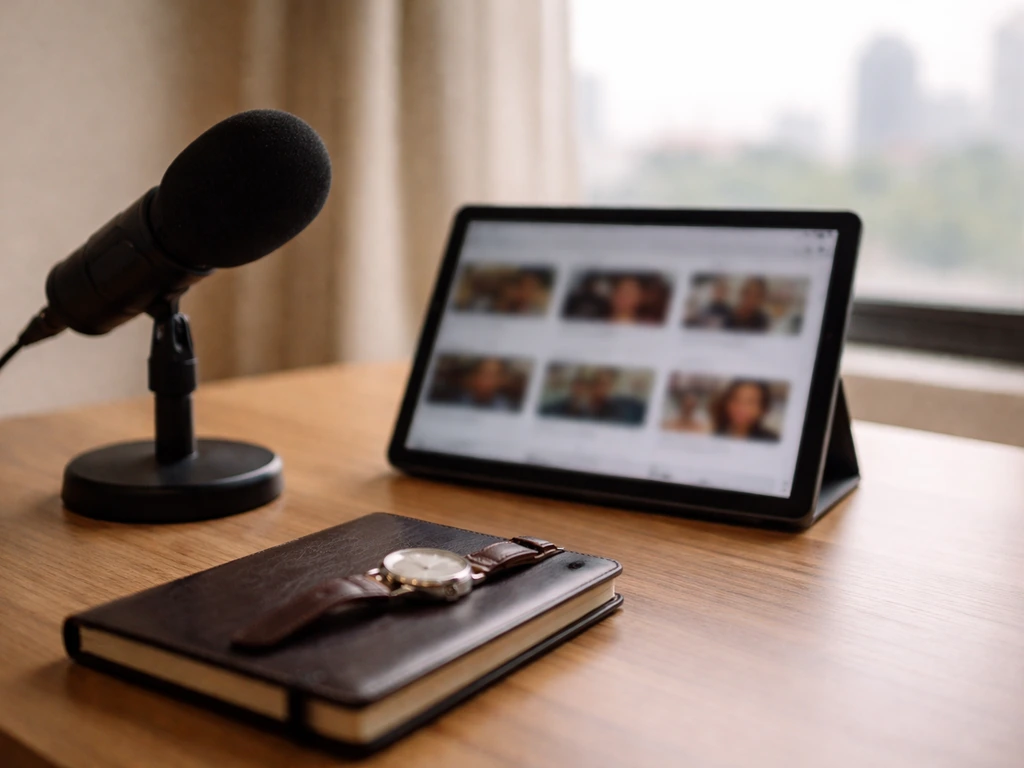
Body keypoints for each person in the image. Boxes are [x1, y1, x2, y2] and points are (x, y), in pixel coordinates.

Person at [710, 380, 779, 441]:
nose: (740, 407)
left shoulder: (772, 440)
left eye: (750, 402)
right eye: (736, 399)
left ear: (762, 410)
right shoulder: (711, 433)